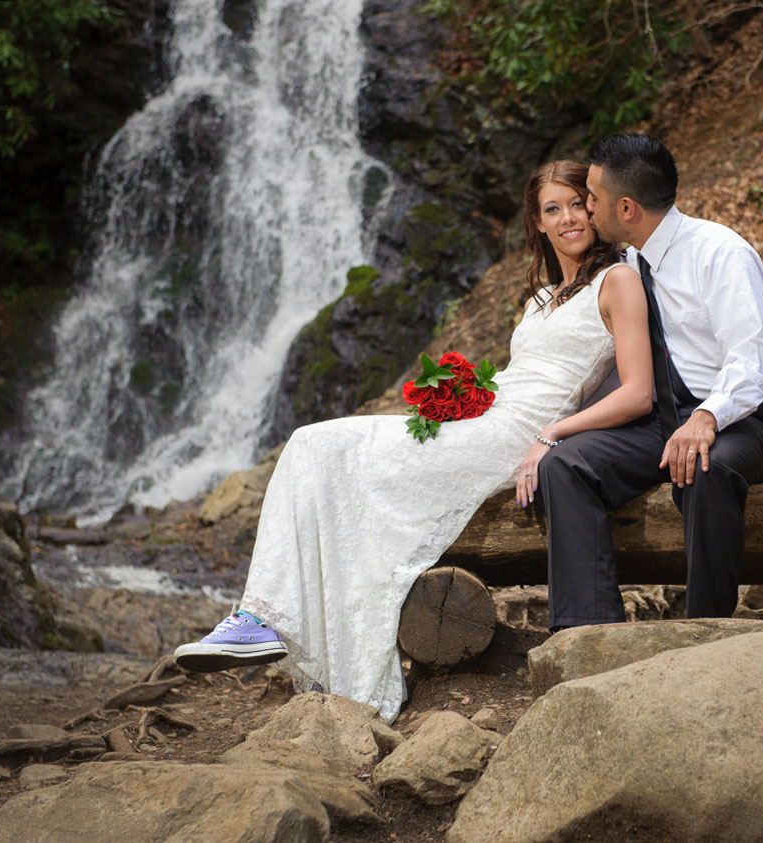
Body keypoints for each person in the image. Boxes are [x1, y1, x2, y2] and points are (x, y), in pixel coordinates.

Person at [174, 161, 652, 722]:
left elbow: (638, 392)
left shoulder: (617, 281)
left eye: (577, 203)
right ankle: (260, 619)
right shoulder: (541, 299)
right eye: (553, 209)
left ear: (595, 208)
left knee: (325, 449)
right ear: (538, 224)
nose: (569, 217)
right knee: (311, 444)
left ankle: (268, 620)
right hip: (488, 419)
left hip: (521, 436)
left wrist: (553, 435)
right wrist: (463, 396)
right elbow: (522, 378)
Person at [538, 133, 763, 627]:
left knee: (705, 466)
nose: (586, 209)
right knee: (566, 465)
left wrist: (706, 417)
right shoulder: (626, 265)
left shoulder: (720, 253)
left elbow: (750, 362)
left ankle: (706, 629)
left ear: (626, 207)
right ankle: (588, 629)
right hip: (656, 426)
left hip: (738, 423)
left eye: (592, 198)